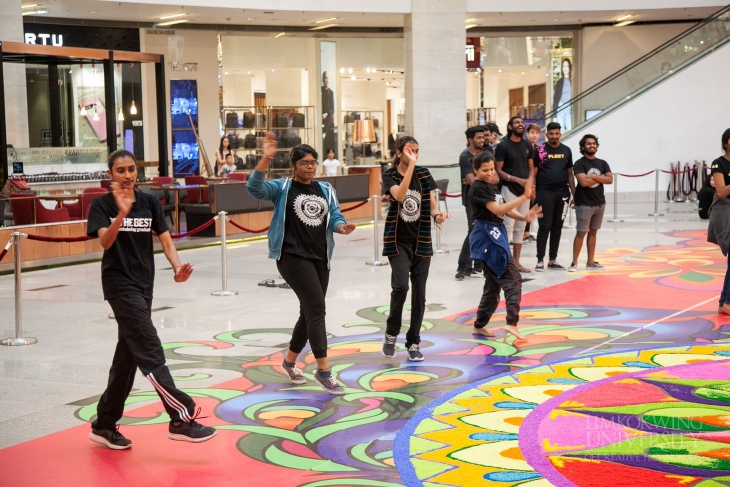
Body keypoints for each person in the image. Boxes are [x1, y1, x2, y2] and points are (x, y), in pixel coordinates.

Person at [86, 149, 216, 450]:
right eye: (121, 170)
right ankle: (180, 417)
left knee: (128, 357)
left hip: (145, 285)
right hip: (119, 285)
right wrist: (120, 213)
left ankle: (104, 423)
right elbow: (105, 241)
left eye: (131, 169)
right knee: (149, 347)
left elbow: (166, 239)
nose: (128, 175)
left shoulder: (148, 202)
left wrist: (177, 266)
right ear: (111, 174)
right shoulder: (102, 204)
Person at [247, 134, 356, 394]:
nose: (310, 167)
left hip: (320, 256)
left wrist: (340, 227)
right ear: (293, 165)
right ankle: (324, 370)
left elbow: (335, 216)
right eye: (305, 163)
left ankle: (289, 361)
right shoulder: (283, 187)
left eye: (313, 163)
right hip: (292, 257)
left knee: (308, 312)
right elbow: (254, 188)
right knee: (317, 308)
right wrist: (266, 158)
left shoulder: (326, 190)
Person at [381, 136, 450, 362]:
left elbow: (430, 201)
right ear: (399, 152)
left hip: (421, 241)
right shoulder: (389, 174)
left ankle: (413, 342)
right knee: (400, 287)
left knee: (419, 295)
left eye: (417, 151)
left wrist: (437, 214)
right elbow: (400, 196)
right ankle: (391, 333)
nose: (415, 154)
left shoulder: (423, 173)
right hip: (397, 241)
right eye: (410, 151)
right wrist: (410, 166)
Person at [468, 151, 541, 340]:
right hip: (487, 237)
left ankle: (479, 325)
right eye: (485, 170)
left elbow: (507, 210)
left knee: (493, 285)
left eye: (492, 169)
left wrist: (525, 217)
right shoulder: (477, 188)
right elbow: (498, 209)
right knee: (513, 278)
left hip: (494, 234)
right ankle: (511, 322)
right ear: (475, 170)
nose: (490, 173)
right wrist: (525, 196)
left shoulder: (491, 187)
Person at [533, 122, 575, 271]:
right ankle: (539, 260)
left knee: (557, 227)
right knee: (544, 226)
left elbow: (570, 173)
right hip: (544, 193)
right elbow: (534, 173)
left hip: (562, 193)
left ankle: (552, 260)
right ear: (547, 135)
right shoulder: (540, 150)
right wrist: (532, 193)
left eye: (557, 133)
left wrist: (574, 195)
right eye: (551, 134)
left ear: (560, 134)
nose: (554, 136)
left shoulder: (566, 150)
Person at [495, 116, 535, 273]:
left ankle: (517, 263)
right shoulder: (503, 146)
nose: (521, 125)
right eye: (517, 122)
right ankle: (505, 263)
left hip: (525, 191)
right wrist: (518, 180)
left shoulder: (527, 145)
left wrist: (530, 184)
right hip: (509, 189)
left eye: (522, 123)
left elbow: (531, 168)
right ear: (510, 126)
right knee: (507, 227)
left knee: (521, 227)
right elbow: (498, 170)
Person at [570, 134, 612, 272]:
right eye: (588, 144)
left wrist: (593, 176)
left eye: (594, 143)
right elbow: (584, 182)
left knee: (593, 232)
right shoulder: (579, 163)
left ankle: (591, 262)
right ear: (583, 147)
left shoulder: (602, 163)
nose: (592, 146)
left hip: (600, 203)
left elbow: (610, 180)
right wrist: (601, 178)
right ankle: (574, 263)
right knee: (581, 232)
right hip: (584, 204)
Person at [456, 125, 486, 281]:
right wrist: (484, 178)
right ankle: (463, 266)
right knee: (473, 230)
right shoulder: (465, 156)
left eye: (483, 137)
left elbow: (494, 177)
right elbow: (471, 181)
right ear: (470, 140)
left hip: (487, 197)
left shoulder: (487, 153)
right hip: (471, 199)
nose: (482, 140)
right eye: (479, 138)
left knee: (482, 230)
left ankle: (478, 265)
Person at [707, 128, 730, 314]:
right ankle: (727, 302)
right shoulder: (718, 163)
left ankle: (725, 302)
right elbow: (721, 192)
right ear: (725, 143)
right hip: (724, 211)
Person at [523, 123, 542, 244]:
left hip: (537, 182)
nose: (534, 135)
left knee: (531, 207)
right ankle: (523, 233)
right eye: (532, 133)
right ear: (527, 134)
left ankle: (527, 232)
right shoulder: (524, 147)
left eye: (536, 133)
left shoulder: (539, 149)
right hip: (525, 182)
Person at [553, 58, 573, 131]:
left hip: (570, 107)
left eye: (567, 66)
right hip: (560, 106)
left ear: (570, 67)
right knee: (560, 130)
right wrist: (554, 115)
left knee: (570, 128)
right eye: (563, 66)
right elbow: (555, 98)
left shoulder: (573, 81)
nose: (565, 68)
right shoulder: (560, 82)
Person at [321, 71, 336, 155]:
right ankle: (324, 133)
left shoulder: (331, 92)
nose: (326, 80)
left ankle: (325, 133)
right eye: (325, 78)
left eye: (328, 78)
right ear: (323, 79)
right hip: (321, 118)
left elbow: (332, 108)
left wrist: (326, 114)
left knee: (330, 114)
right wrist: (321, 114)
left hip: (328, 119)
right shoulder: (320, 91)